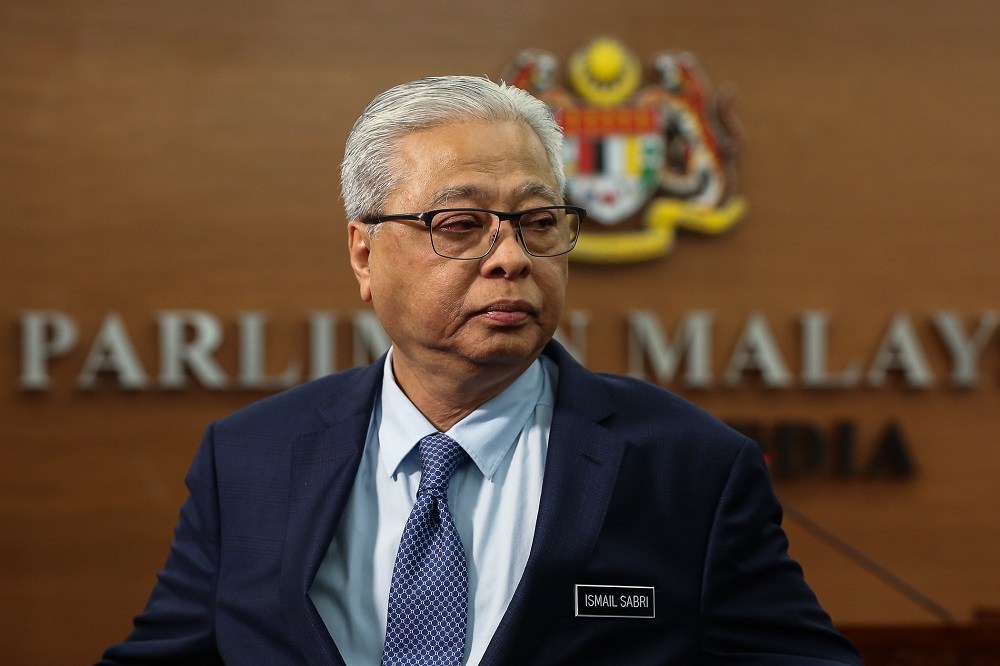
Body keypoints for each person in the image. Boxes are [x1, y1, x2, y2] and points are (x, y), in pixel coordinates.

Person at [99, 76, 861, 665]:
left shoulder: (691, 466)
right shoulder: (249, 459)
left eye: (537, 223)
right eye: (459, 226)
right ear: (364, 253)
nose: (510, 258)